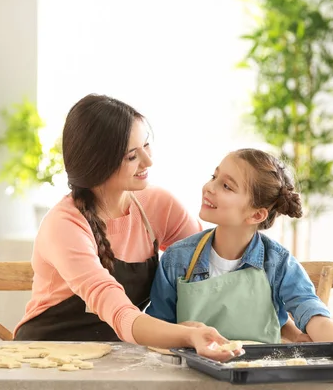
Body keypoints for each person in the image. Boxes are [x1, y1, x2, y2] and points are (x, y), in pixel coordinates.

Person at [13, 94, 238, 361]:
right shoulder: (64, 225)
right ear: (98, 164)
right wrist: (183, 334)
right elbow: (118, 311)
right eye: (132, 156)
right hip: (43, 358)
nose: (148, 161)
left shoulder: (159, 205)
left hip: (114, 355)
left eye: (146, 145)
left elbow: (210, 266)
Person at [146, 148, 333, 390]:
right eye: (214, 177)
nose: (209, 187)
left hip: (263, 382)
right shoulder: (178, 258)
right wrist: (183, 330)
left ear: (256, 214)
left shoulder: (278, 263)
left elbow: (315, 317)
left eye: (226, 186)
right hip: (191, 381)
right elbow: (155, 330)